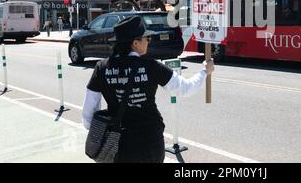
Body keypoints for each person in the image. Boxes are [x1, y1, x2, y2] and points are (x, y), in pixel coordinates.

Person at [82, 15, 214, 163]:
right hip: (150, 143)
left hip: (118, 145)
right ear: (135, 44)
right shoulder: (151, 66)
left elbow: (88, 116)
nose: (149, 41)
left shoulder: (101, 68)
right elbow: (185, 88)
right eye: (147, 39)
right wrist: (204, 72)